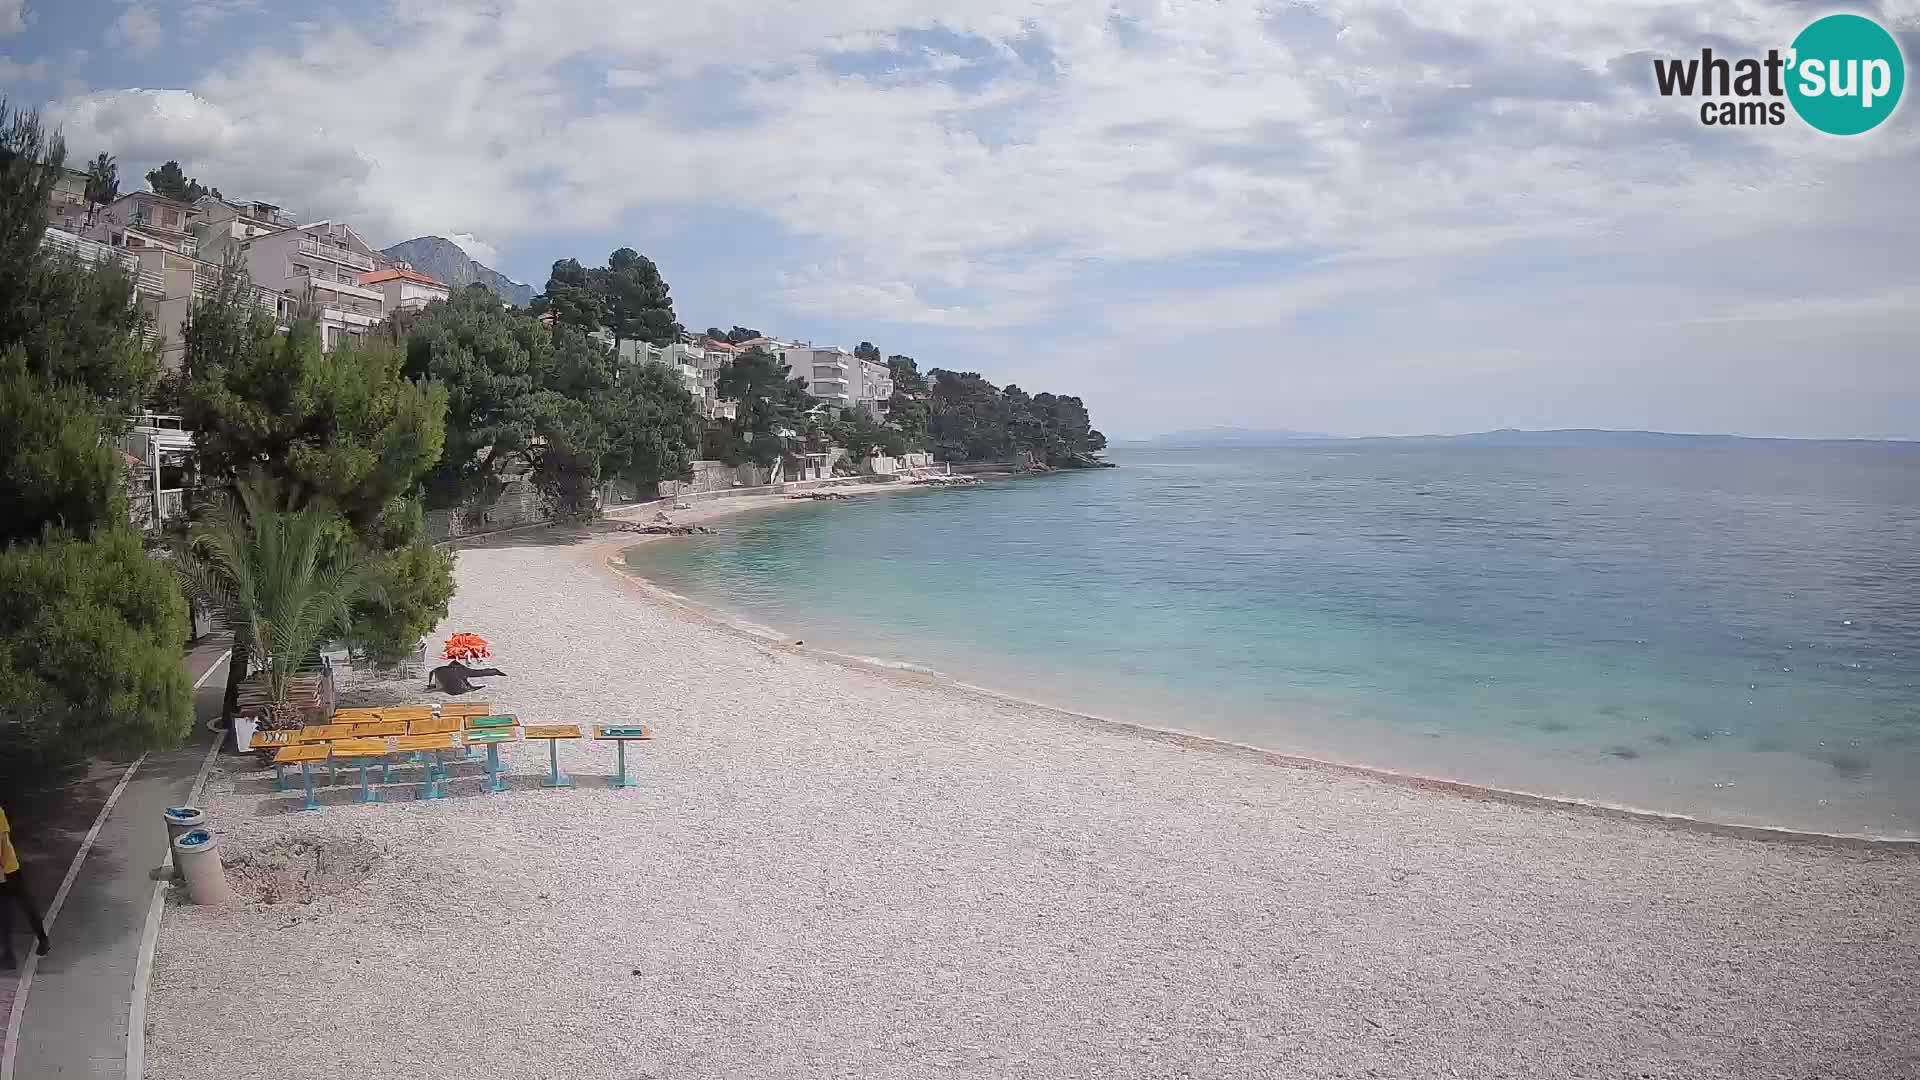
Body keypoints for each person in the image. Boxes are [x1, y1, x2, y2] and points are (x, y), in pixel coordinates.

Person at [0, 806, 52, 970]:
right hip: (7, 868)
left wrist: (0, 870)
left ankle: (41, 940)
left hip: (7, 868)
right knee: (8, 910)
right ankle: (10, 955)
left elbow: (1, 842)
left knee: (19, 906)